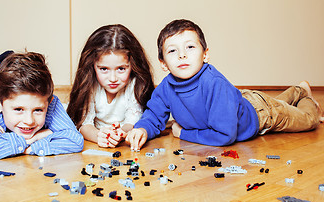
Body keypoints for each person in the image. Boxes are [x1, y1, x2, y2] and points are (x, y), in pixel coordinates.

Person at [126, 19, 323, 151]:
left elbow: (225, 136)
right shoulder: (165, 89)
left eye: (190, 47)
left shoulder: (213, 84)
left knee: (306, 120)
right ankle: (297, 90)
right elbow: (153, 115)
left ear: (206, 54)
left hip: (262, 114)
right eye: (172, 51)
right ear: (163, 64)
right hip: (241, 101)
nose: (182, 55)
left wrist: (182, 133)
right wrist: (142, 129)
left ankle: (305, 95)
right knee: (276, 101)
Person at [0, 46, 84, 160]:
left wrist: (28, 144)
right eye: (18, 109)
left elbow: (75, 140)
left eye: (38, 110)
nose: (29, 121)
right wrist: (29, 140)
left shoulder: (48, 100)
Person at [67, 24, 154, 148]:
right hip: (96, 142)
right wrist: (99, 136)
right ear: (92, 65)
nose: (113, 78)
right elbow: (84, 125)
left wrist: (121, 133)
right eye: (104, 69)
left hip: (125, 141)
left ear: (132, 65)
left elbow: (132, 122)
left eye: (121, 69)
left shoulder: (135, 84)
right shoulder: (90, 85)